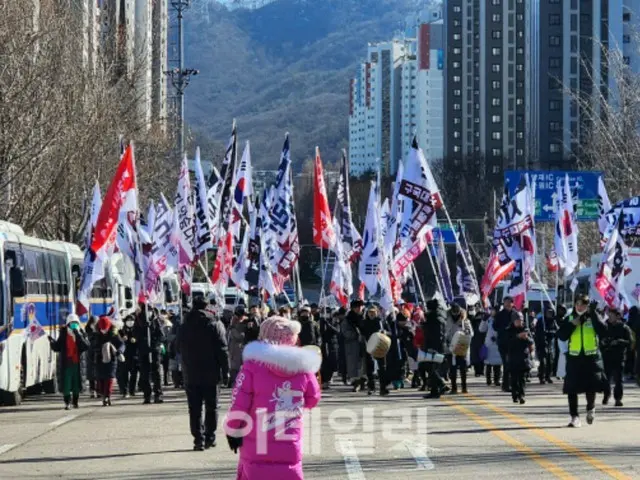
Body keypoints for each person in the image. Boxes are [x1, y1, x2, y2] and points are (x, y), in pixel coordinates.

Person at [223, 316, 321, 479]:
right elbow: (313, 398)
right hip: (289, 437)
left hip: (257, 441)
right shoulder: (303, 367)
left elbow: (238, 404)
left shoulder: (252, 366)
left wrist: (233, 430)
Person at [177, 295, 229, 451]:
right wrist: (225, 371)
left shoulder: (184, 325)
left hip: (190, 372)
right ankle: (209, 437)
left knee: (194, 408)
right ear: (207, 307)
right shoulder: (214, 323)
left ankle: (198, 439)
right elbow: (222, 350)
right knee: (212, 407)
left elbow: (176, 347)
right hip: (211, 373)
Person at [557, 295, 608, 428]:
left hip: (591, 358)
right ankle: (574, 417)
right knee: (571, 389)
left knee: (591, 387)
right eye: (578, 304)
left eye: (583, 305)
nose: (580, 307)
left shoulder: (593, 317)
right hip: (574, 357)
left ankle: (590, 408)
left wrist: (594, 314)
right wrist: (575, 322)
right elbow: (562, 335)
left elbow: (603, 331)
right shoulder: (569, 318)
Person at [49, 314, 90, 410]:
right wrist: (51, 342)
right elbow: (57, 347)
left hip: (77, 364)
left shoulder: (82, 333)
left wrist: (77, 334)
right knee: (66, 385)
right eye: (72, 323)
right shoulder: (63, 334)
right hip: (66, 363)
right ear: (68, 324)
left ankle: (75, 402)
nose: (74, 325)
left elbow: (86, 346)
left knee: (76, 384)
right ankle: (67, 402)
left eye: (76, 323)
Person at [135, 303, 166, 404]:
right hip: (143, 351)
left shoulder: (156, 321)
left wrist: (155, 344)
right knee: (144, 374)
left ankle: (158, 394)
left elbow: (161, 335)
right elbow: (136, 335)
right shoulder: (138, 320)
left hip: (154, 350)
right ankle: (147, 395)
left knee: (156, 373)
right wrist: (144, 330)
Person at [601, 308, 632, 407]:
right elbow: (599, 340)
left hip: (619, 357)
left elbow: (630, 342)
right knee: (606, 379)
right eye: (608, 315)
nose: (609, 317)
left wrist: (619, 341)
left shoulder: (624, 327)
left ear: (618, 316)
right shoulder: (605, 327)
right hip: (607, 356)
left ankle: (618, 398)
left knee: (619, 380)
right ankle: (606, 394)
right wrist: (604, 342)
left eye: (612, 315)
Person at [360, 305, 390, 396]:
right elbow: (361, 333)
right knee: (370, 368)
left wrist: (385, 332)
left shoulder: (381, 321)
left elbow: (389, 331)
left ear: (377, 312)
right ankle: (371, 387)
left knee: (382, 368)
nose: (372, 314)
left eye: (373, 312)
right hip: (369, 346)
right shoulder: (364, 322)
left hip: (380, 347)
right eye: (370, 312)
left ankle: (383, 388)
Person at [94, 316, 124, 406]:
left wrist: (119, 351)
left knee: (109, 378)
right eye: (102, 329)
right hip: (99, 359)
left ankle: (107, 396)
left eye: (105, 329)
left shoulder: (114, 334)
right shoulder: (96, 335)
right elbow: (92, 346)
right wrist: (98, 350)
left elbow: (121, 344)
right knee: (101, 378)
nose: (104, 331)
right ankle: (103, 394)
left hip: (112, 359)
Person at [422, 299, 447, 398]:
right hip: (434, 345)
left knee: (430, 367)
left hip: (434, 346)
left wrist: (433, 347)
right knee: (431, 367)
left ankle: (441, 384)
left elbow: (437, 334)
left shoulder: (435, 318)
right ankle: (434, 390)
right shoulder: (435, 317)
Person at [446, 303, 473, 394]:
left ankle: (464, 387)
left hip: (461, 345)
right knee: (452, 368)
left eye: (457, 313)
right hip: (450, 345)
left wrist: (466, 331)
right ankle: (454, 388)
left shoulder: (465, 320)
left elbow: (471, 333)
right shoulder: (447, 319)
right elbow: (444, 331)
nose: (455, 314)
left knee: (463, 368)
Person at [508, 312, 534, 404]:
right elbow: (506, 342)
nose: (520, 322)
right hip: (513, 358)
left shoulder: (525, 329)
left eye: (521, 320)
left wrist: (526, 338)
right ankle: (515, 394)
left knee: (522, 378)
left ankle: (521, 395)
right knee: (514, 379)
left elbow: (531, 341)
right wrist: (517, 337)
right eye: (518, 320)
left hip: (523, 357)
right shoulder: (509, 329)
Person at [494, 297, 518, 392]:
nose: (507, 304)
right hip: (503, 342)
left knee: (513, 364)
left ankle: (513, 384)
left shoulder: (515, 314)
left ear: (512, 303)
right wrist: (504, 328)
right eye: (505, 303)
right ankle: (506, 385)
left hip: (514, 342)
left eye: (509, 303)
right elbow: (495, 327)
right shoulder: (500, 315)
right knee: (507, 363)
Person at [342, 300, 366, 392]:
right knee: (353, 364)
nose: (359, 309)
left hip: (364, 343)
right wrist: (355, 335)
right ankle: (356, 383)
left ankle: (364, 381)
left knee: (364, 364)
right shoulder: (348, 319)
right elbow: (345, 331)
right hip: (352, 344)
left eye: (360, 307)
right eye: (357, 307)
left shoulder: (364, 317)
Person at [479, 307, 502, 386]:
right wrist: (483, 320)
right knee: (488, 363)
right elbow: (481, 329)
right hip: (489, 343)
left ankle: (497, 379)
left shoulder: (500, 319)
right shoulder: (488, 319)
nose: (492, 311)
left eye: (493, 310)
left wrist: (497, 337)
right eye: (491, 310)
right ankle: (488, 379)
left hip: (497, 343)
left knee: (497, 363)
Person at [535, 308, 559, 384]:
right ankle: (541, 377)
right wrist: (542, 335)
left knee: (550, 362)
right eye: (548, 312)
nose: (549, 314)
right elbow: (537, 333)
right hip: (542, 344)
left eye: (551, 313)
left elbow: (556, 331)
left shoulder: (554, 321)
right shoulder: (541, 321)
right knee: (543, 362)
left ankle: (548, 376)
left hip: (550, 344)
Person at [118, 314, 138, 398]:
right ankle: (125, 391)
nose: (130, 322)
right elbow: (118, 340)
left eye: (132, 320)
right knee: (124, 374)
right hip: (125, 354)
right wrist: (122, 339)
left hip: (134, 354)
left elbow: (139, 339)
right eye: (128, 320)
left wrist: (135, 340)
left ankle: (132, 390)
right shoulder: (122, 330)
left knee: (134, 373)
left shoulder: (137, 330)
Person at [319, 310, 340, 389]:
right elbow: (321, 332)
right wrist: (322, 323)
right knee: (324, 363)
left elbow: (337, 331)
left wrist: (328, 324)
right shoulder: (322, 322)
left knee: (331, 362)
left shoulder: (335, 322)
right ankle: (324, 380)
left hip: (332, 345)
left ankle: (328, 379)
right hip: (324, 344)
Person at [228, 309, 248, 388]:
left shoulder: (234, 323)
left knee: (235, 366)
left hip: (236, 348)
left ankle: (234, 382)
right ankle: (234, 382)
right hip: (235, 348)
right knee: (235, 367)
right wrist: (244, 333)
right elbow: (238, 336)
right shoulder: (235, 324)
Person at [469, 305, 486, 377]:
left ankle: (480, 371)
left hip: (481, 339)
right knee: (476, 356)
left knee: (481, 355)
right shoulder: (472, 318)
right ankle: (478, 371)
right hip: (475, 339)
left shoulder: (483, 317)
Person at [84, 316, 99, 398]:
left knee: (97, 373)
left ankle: (97, 390)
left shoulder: (98, 331)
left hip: (95, 353)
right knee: (92, 374)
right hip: (91, 353)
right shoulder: (88, 331)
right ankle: (93, 390)